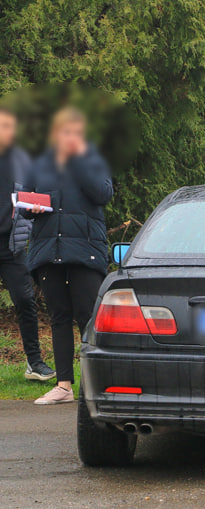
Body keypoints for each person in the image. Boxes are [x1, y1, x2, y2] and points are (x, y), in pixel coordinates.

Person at [26, 107, 113, 405]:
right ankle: (64, 386)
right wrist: (31, 207)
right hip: (48, 250)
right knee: (59, 317)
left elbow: (103, 194)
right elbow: (25, 198)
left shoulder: (93, 160)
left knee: (88, 318)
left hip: (85, 252)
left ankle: (95, 385)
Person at [0, 106, 55, 382]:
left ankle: (35, 363)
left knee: (25, 301)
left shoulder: (23, 160)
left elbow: (35, 195)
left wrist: (33, 211)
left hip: (11, 246)